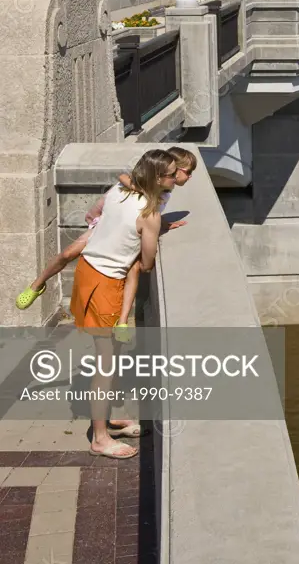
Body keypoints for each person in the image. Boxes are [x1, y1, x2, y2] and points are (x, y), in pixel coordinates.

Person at [15, 147, 197, 338]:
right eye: (187, 171)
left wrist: (161, 224)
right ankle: (37, 285)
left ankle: (123, 322)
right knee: (68, 253)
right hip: (107, 226)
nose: (189, 177)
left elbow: (149, 217)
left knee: (133, 270)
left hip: (126, 231)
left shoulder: (164, 190)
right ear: (166, 174)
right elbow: (124, 178)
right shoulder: (153, 188)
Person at [69, 148, 180, 459]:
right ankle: (100, 439)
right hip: (106, 285)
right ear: (159, 178)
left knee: (111, 357)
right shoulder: (150, 215)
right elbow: (146, 262)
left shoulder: (120, 191)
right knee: (105, 365)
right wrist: (157, 232)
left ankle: (108, 419)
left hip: (87, 273)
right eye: (172, 174)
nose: (175, 178)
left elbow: (105, 205)